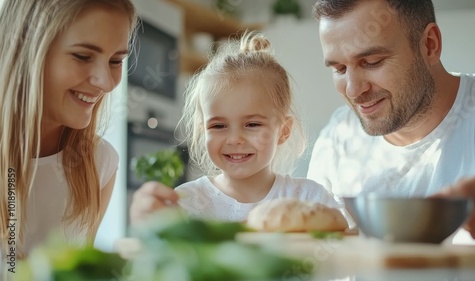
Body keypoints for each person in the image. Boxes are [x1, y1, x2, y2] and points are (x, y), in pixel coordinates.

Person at [307, 0, 475, 246]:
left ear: (430, 45)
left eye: (372, 62)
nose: (354, 90)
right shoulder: (339, 135)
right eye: (339, 69)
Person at [130, 32, 342, 223]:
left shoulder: (310, 200)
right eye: (219, 125)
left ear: (284, 131)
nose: (234, 139)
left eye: (252, 124)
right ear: (203, 130)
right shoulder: (185, 203)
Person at [0, 0, 138, 260]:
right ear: (25, 49)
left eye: (116, 61)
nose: (106, 82)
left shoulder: (99, 163)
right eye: (83, 56)